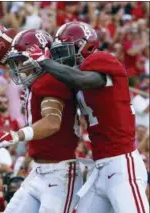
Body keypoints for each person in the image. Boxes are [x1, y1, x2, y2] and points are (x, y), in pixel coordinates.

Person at [27, 21, 149, 213]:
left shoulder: (100, 60)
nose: (62, 57)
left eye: (66, 50)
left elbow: (83, 79)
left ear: (85, 46)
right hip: (100, 167)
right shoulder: (75, 75)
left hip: (122, 165)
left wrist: (45, 62)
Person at [0, 26, 83, 213]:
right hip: (39, 170)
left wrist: (16, 135)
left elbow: (53, 122)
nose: (19, 67)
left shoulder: (50, 80)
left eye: (22, 60)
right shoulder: (39, 82)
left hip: (60, 174)